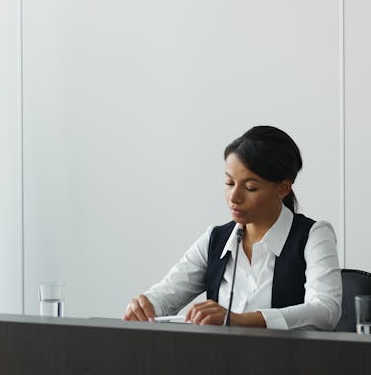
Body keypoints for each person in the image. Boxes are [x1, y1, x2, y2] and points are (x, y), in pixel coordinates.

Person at [123, 125, 341, 329]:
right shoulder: (215, 239)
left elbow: (325, 310)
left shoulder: (314, 235)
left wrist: (237, 319)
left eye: (250, 187)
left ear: (283, 188)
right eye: (229, 183)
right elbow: (166, 294)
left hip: (287, 365)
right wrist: (147, 305)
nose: (234, 197)